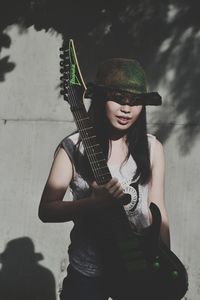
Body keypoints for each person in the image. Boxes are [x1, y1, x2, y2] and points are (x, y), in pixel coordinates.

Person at [38, 58, 170, 300]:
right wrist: (91, 203)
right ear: (99, 99)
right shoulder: (73, 147)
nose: (127, 109)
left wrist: (165, 266)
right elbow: (46, 210)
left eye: (135, 102)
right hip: (88, 273)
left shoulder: (152, 148)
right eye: (119, 99)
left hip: (138, 267)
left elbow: (158, 209)